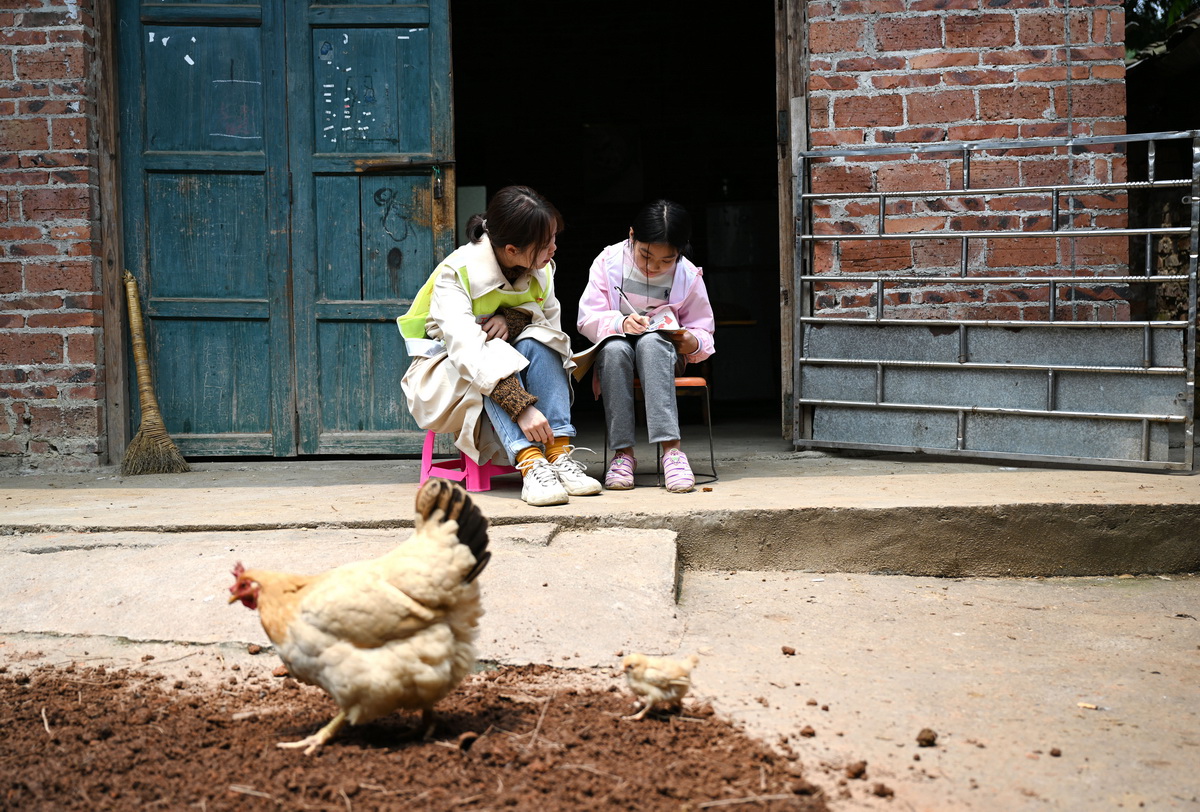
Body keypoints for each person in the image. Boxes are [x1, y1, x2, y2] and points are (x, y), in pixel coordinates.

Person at [400, 185, 601, 507]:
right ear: (511, 249)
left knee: (540, 340)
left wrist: (515, 319)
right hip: (445, 373)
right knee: (491, 348)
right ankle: (531, 462)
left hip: (506, 361)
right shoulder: (456, 273)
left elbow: (550, 328)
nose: (554, 248)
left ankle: (559, 452)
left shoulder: (542, 268)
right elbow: (469, 351)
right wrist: (520, 407)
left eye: (553, 238)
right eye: (545, 242)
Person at [576, 200, 715, 492]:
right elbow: (587, 317)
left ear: (680, 251)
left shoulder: (688, 274)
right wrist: (620, 324)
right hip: (618, 349)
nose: (653, 266)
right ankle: (623, 455)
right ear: (631, 236)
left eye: (666, 261)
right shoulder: (608, 263)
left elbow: (703, 328)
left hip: (664, 353)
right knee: (614, 349)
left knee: (652, 343)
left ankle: (672, 453)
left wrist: (693, 341)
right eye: (645, 255)